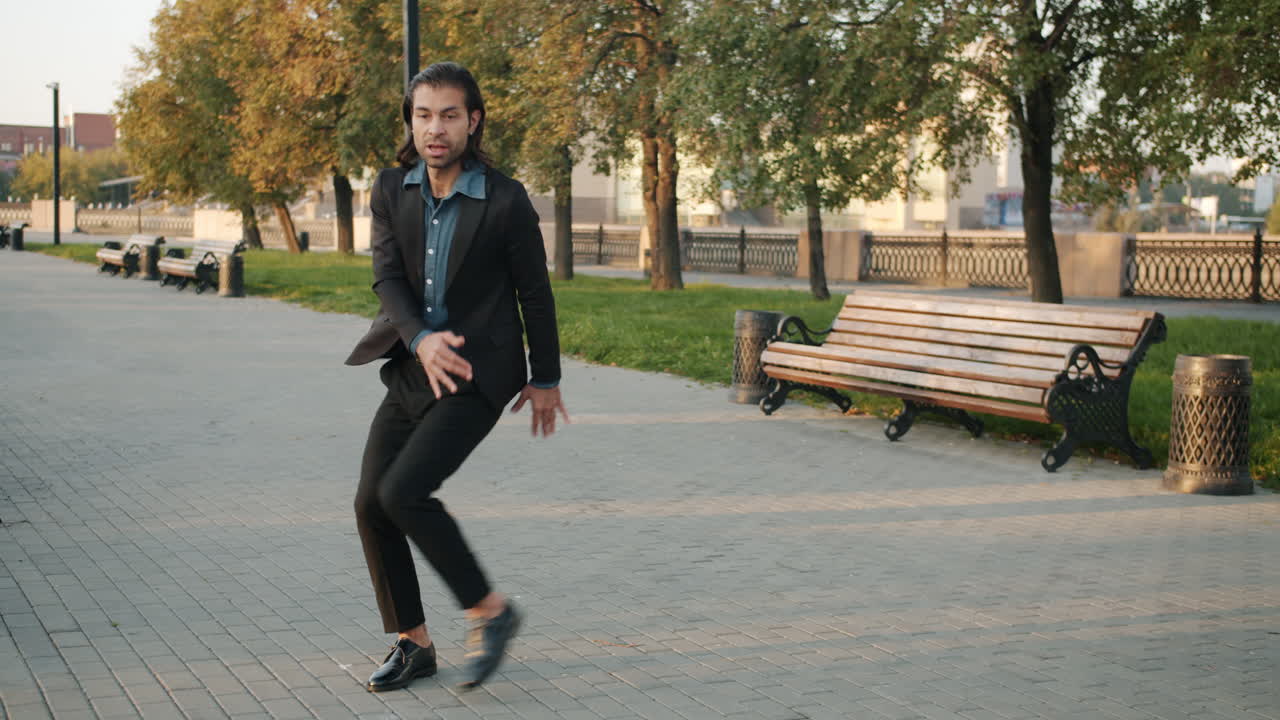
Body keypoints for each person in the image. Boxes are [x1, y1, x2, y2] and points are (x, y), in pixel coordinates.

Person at [346, 61, 567, 693]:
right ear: (410, 121)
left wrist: (546, 378)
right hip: (416, 365)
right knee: (371, 503)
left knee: (404, 493)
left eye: (449, 115)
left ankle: (490, 612)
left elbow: (535, 295)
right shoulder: (392, 188)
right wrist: (418, 338)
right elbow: (387, 276)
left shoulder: (504, 200)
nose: (434, 128)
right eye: (423, 115)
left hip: (479, 375)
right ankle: (413, 643)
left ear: (473, 121)